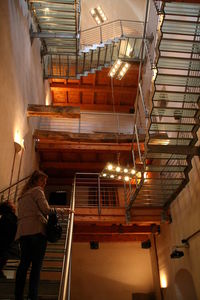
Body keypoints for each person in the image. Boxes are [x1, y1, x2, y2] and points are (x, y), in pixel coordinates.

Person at [15, 170, 72, 300]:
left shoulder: (23, 196)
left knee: (23, 265)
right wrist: (65, 211)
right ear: (35, 181)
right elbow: (47, 210)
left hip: (23, 232)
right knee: (36, 267)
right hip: (36, 231)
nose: (44, 184)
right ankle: (32, 295)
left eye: (45, 182)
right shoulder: (37, 191)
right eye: (43, 181)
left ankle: (18, 295)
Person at [0, 200, 18, 279]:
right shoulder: (11, 217)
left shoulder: (4, 217)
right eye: (12, 204)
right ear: (10, 207)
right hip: (7, 242)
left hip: (5, 241)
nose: (15, 206)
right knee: (3, 256)